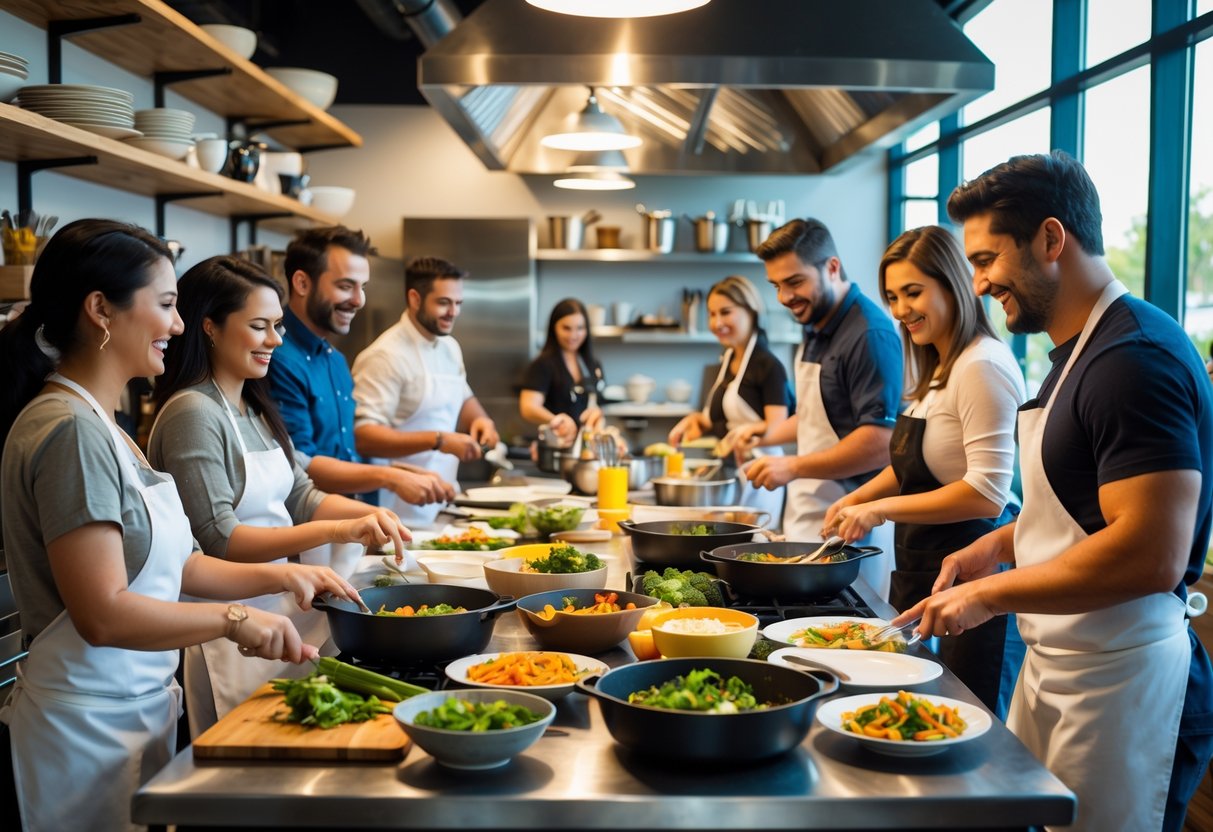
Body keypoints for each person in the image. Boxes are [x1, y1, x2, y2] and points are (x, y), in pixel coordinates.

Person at [0, 220, 361, 831]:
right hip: (82, 728)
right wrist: (236, 618)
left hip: (132, 712)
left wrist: (282, 579)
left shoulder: (105, 425)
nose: (176, 324)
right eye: (166, 305)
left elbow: (185, 562)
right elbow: (104, 612)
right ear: (100, 310)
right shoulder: (68, 431)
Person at [896, 151, 1213, 832]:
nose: (977, 284)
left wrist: (985, 595)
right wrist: (997, 545)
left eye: (985, 260)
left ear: (1048, 238)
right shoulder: (1074, 353)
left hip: (1126, 685)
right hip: (1065, 668)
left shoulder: (1134, 360)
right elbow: (1079, 507)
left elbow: (1149, 553)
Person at [148, 255, 410, 735]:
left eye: (278, 326)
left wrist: (369, 517)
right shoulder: (192, 413)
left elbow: (302, 496)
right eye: (259, 326)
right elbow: (218, 538)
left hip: (282, 605)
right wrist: (335, 530)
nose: (275, 340)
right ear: (209, 326)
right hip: (232, 622)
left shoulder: (252, 405)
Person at [820, 226, 1025, 714]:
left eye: (913, 292)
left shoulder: (982, 365)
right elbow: (915, 466)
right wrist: (857, 499)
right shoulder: (938, 369)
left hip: (976, 572)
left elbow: (987, 493)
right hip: (924, 567)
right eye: (892, 296)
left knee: (969, 716)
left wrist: (879, 510)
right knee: (916, 707)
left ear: (952, 284)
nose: (900, 309)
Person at [742, 218, 903, 599]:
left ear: (831, 267)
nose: (783, 297)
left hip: (853, 525)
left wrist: (792, 465)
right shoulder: (814, 321)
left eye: (794, 282)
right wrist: (762, 435)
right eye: (776, 286)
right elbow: (819, 416)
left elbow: (880, 441)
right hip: (811, 513)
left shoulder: (869, 333)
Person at [267, 225, 453, 508]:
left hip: (350, 525)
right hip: (310, 534)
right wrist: (388, 477)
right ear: (302, 283)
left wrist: (402, 472)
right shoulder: (277, 357)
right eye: (345, 286)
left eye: (362, 287)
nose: (358, 300)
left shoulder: (335, 360)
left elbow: (344, 454)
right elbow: (299, 465)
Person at [351, 256, 501, 528]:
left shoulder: (449, 346)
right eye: (443, 303)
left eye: (458, 304)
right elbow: (364, 437)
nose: (453, 312)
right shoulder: (385, 356)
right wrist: (440, 440)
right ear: (415, 298)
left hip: (442, 501)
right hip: (393, 514)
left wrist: (482, 420)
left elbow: (462, 395)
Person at [667, 275, 792, 520]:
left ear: (751, 311)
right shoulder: (727, 360)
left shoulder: (768, 366)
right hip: (734, 471)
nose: (716, 322)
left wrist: (748, 431)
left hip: (763, 472)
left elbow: (778, 426)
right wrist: (693, 422)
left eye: (725, 312)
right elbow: (716, 420)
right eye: (712, 314)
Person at [519, 298, 606, 444]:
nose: (574, 335)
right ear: (554, 328)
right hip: (554, 446)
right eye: (566, 328)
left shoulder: (593, 364)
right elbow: (528, 407)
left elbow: (597, 403)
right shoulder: (543, 364)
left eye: (580, 328)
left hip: (585, 448)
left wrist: (597, 417)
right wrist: (557, 421)